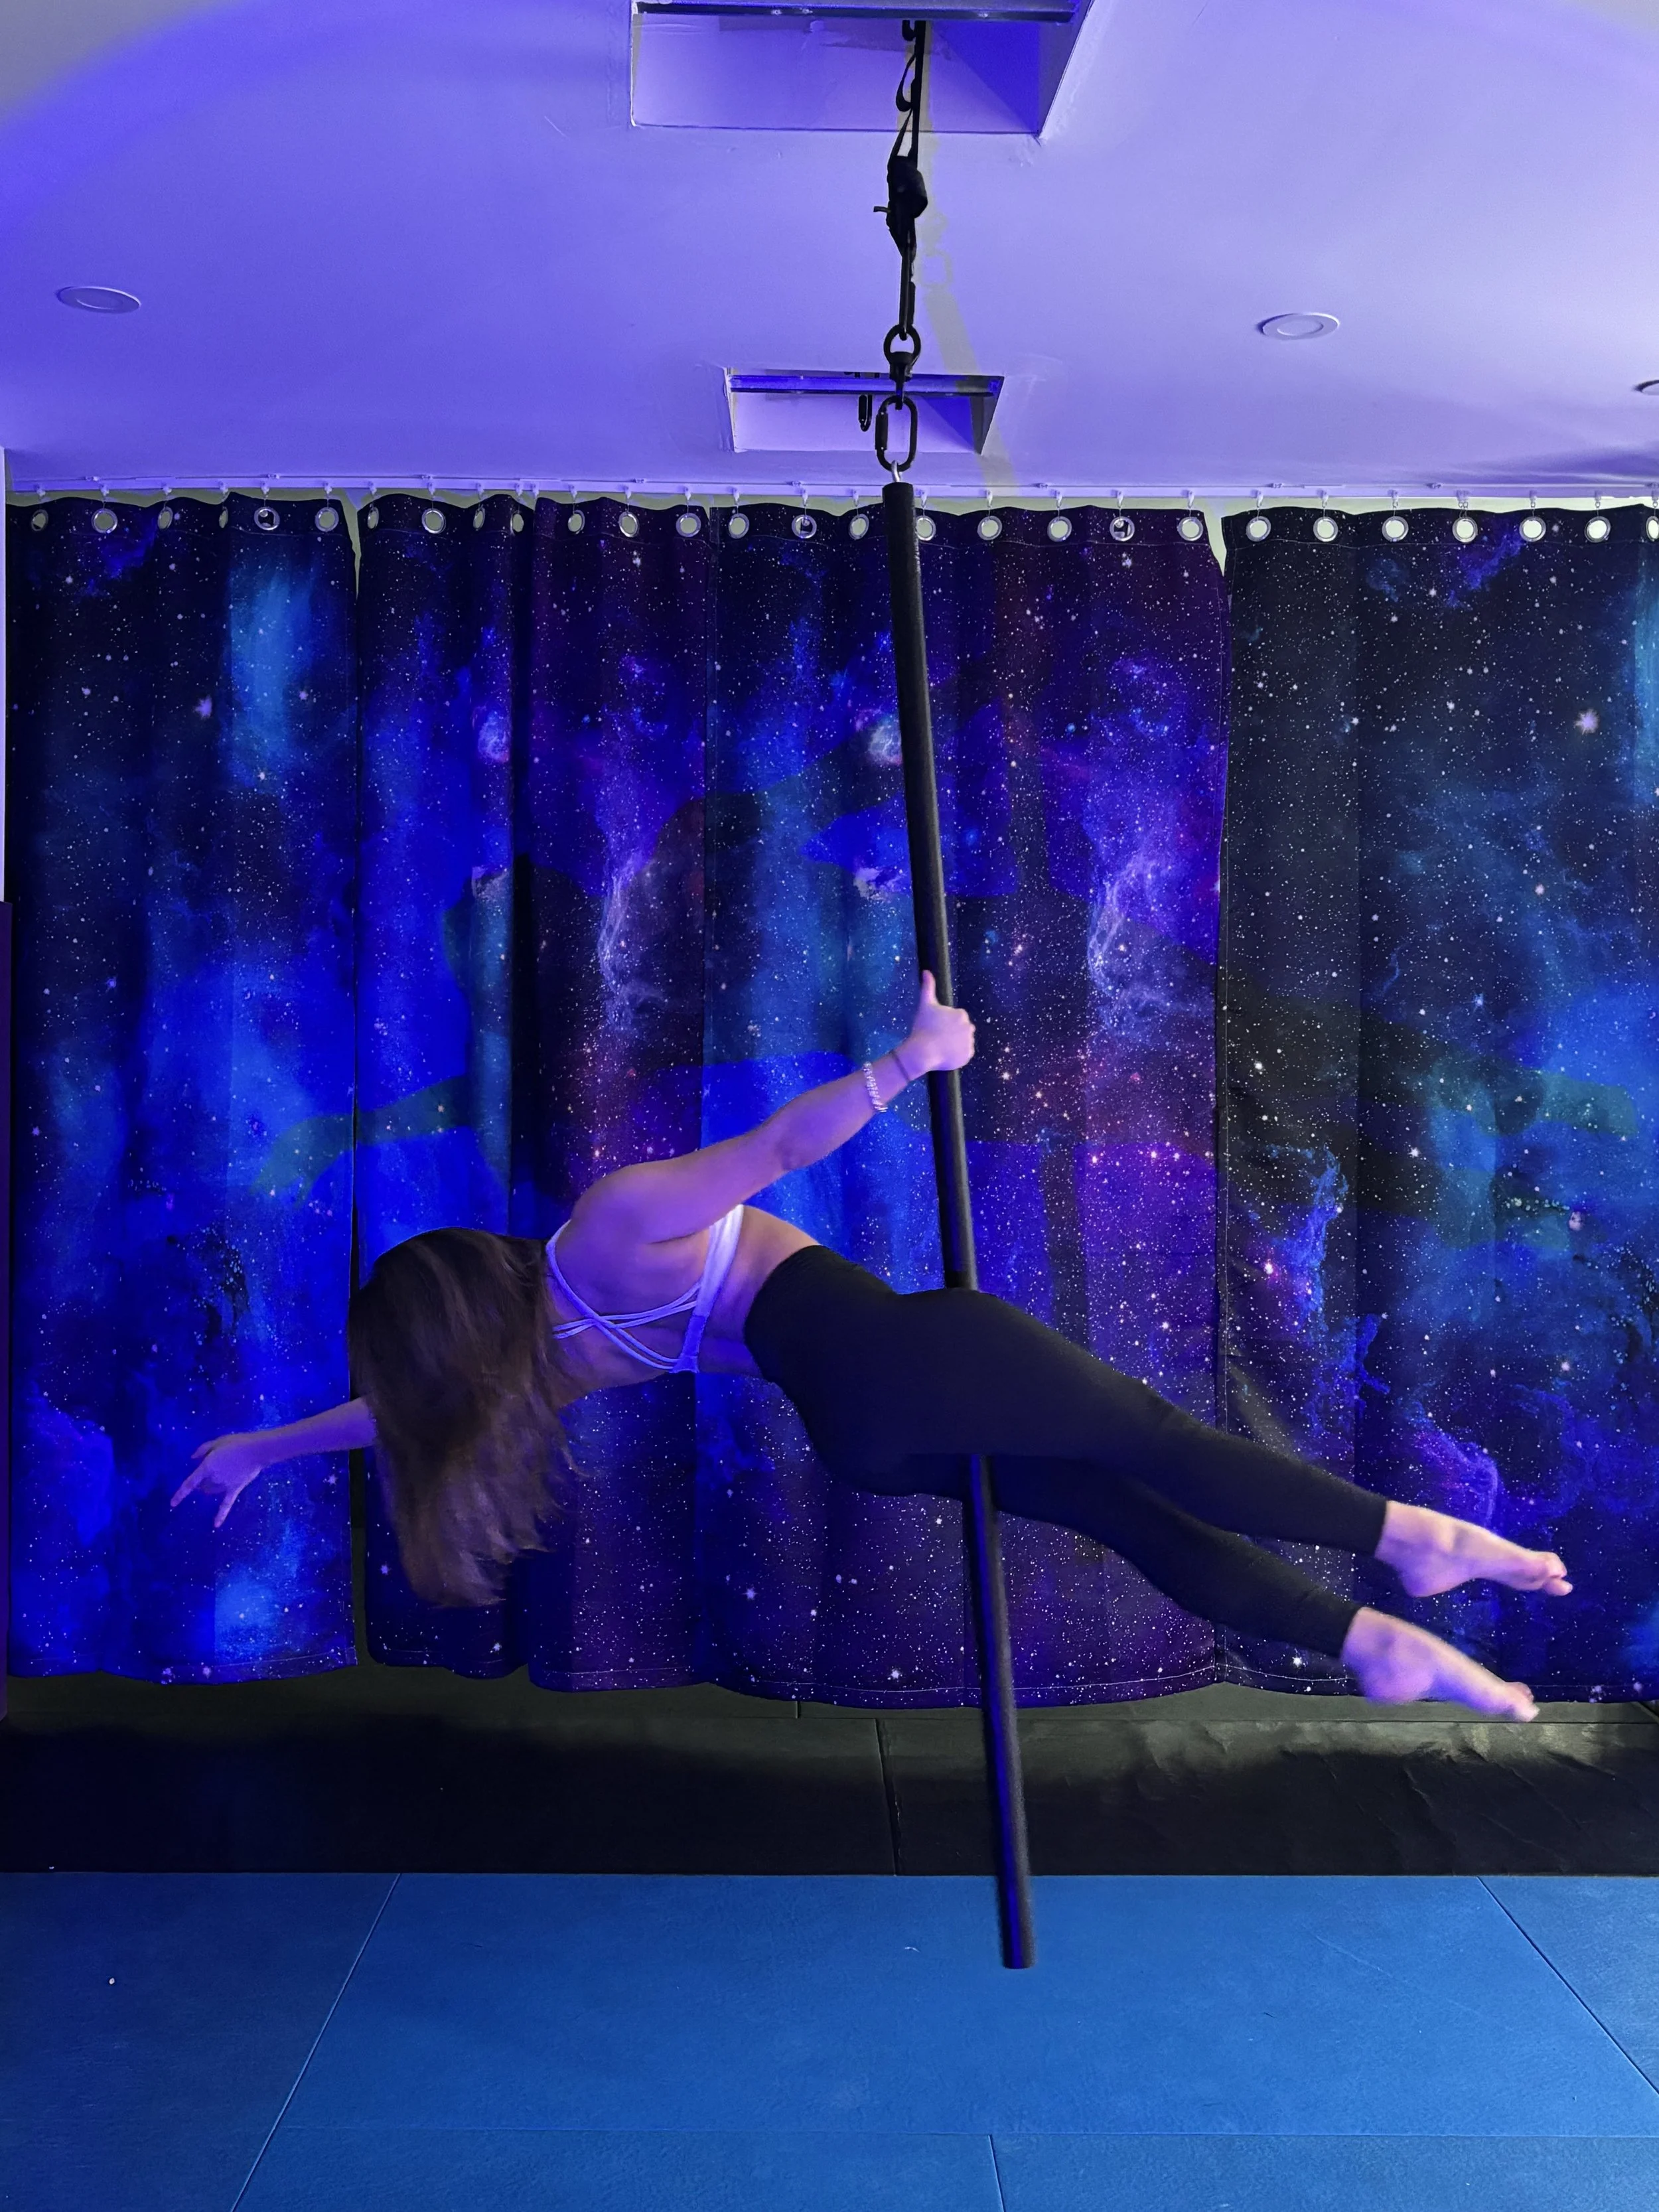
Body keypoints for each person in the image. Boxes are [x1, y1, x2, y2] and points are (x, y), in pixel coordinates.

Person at [176, 976, 1570, 1719]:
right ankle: (1409, 1538)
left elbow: (398, 1413)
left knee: (1129, 1513)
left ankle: (1368, 1639)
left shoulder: (556, 1358)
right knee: (1160, 1446)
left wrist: (263, 1447)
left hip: (861, 1437)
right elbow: (779, 1147)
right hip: (899, 1358)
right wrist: (914, 1059)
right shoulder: (603, 1233)